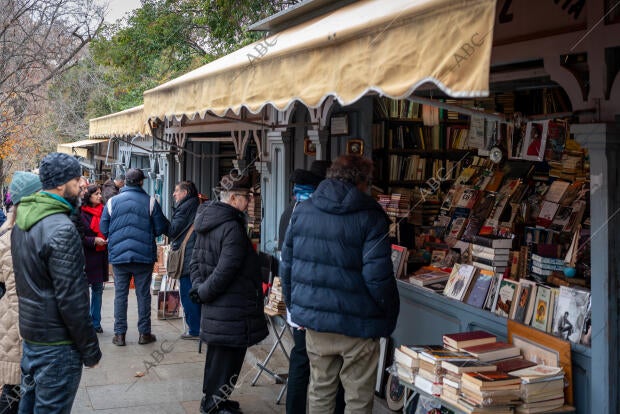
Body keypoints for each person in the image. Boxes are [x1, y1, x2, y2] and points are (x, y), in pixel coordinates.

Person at [280, 155, 400, 413]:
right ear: (362, 182)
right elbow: (378, 277)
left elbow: (287, 265)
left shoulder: (303, 210)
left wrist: (295, 307)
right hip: (359, 323)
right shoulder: (371, 216)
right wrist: (389, 314)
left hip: (316, 322)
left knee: (320, 390)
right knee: (357, 397)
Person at [12, 153, 102, 413]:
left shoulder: (23, 221)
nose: (81, 185)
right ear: (62, 185)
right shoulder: (61, 229)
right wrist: (90, 351)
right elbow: (72, 298)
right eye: (77, 180)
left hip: (33, 338)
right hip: (57, 346)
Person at [189, 175, 268, 414]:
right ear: (233, 198)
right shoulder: (232, 226)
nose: (249, 201)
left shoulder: (207, 219)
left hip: (219, 303)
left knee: (219, 356)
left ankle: (215, 400)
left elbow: (195, 260)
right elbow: (226, 269)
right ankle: (214, 405)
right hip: (231, 305)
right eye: (246, 196)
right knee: (228, 357)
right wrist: (203, 292)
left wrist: (200, 290)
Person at [277, 161, 346, 414]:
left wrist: (292, 303)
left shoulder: (291, 211)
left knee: (301, 359)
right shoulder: (317, 214)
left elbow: (286, 263)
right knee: (326, 364)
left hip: (300, 302)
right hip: (316, 302)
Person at [100, 168, 169, 346]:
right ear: (141, 182)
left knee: (120, 295)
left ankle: (120, 335)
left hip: (119, 257)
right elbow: (161, 228)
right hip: (143, 256)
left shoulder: (111, 202)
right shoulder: (151, 202)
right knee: (143, 295)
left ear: (125, 182)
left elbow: (104, 229)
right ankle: (144, 334)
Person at [0, 172, 42, 414]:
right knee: (15, 392)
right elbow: (17, 295)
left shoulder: (10, 233)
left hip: (14, 326)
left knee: (16, 390)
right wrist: (30, 335)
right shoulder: (15, 237)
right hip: (18, 330)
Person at [168, 180, 201, 339]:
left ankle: (195, 329)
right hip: (196, 256)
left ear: (185, 193)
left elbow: (173, 230)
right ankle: (198, 327)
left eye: (176, 191)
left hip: (188, 258)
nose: (174, 194)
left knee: (188, 293)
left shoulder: (185, 207)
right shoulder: (197, 203)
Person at [80, 184, 109, 334]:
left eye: (100, 193)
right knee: (84, 291)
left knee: (98, 290)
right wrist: (93, 241)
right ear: (88, 196)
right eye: (96, 194)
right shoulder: (80, 213)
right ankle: (85, 323)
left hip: (100, 255)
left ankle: (96, 323)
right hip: (86, 255)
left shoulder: (105, 211)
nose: (99, 196)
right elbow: (79, 236)